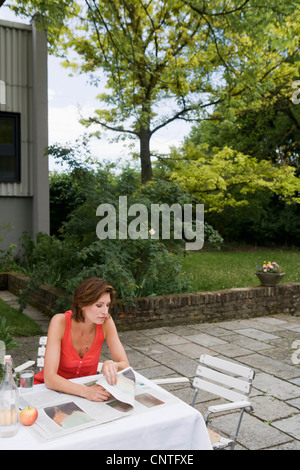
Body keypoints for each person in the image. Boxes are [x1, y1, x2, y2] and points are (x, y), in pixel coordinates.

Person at [34, 277, 130, 402]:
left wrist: (113, 365)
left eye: (107, 305)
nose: (105, 312)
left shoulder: (106, 322)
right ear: (81, 304)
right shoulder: (60, 322)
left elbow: (125, 365)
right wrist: (86, 392)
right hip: (49, 392)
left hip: (84, 396)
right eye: (99, 305)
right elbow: (50, 378)